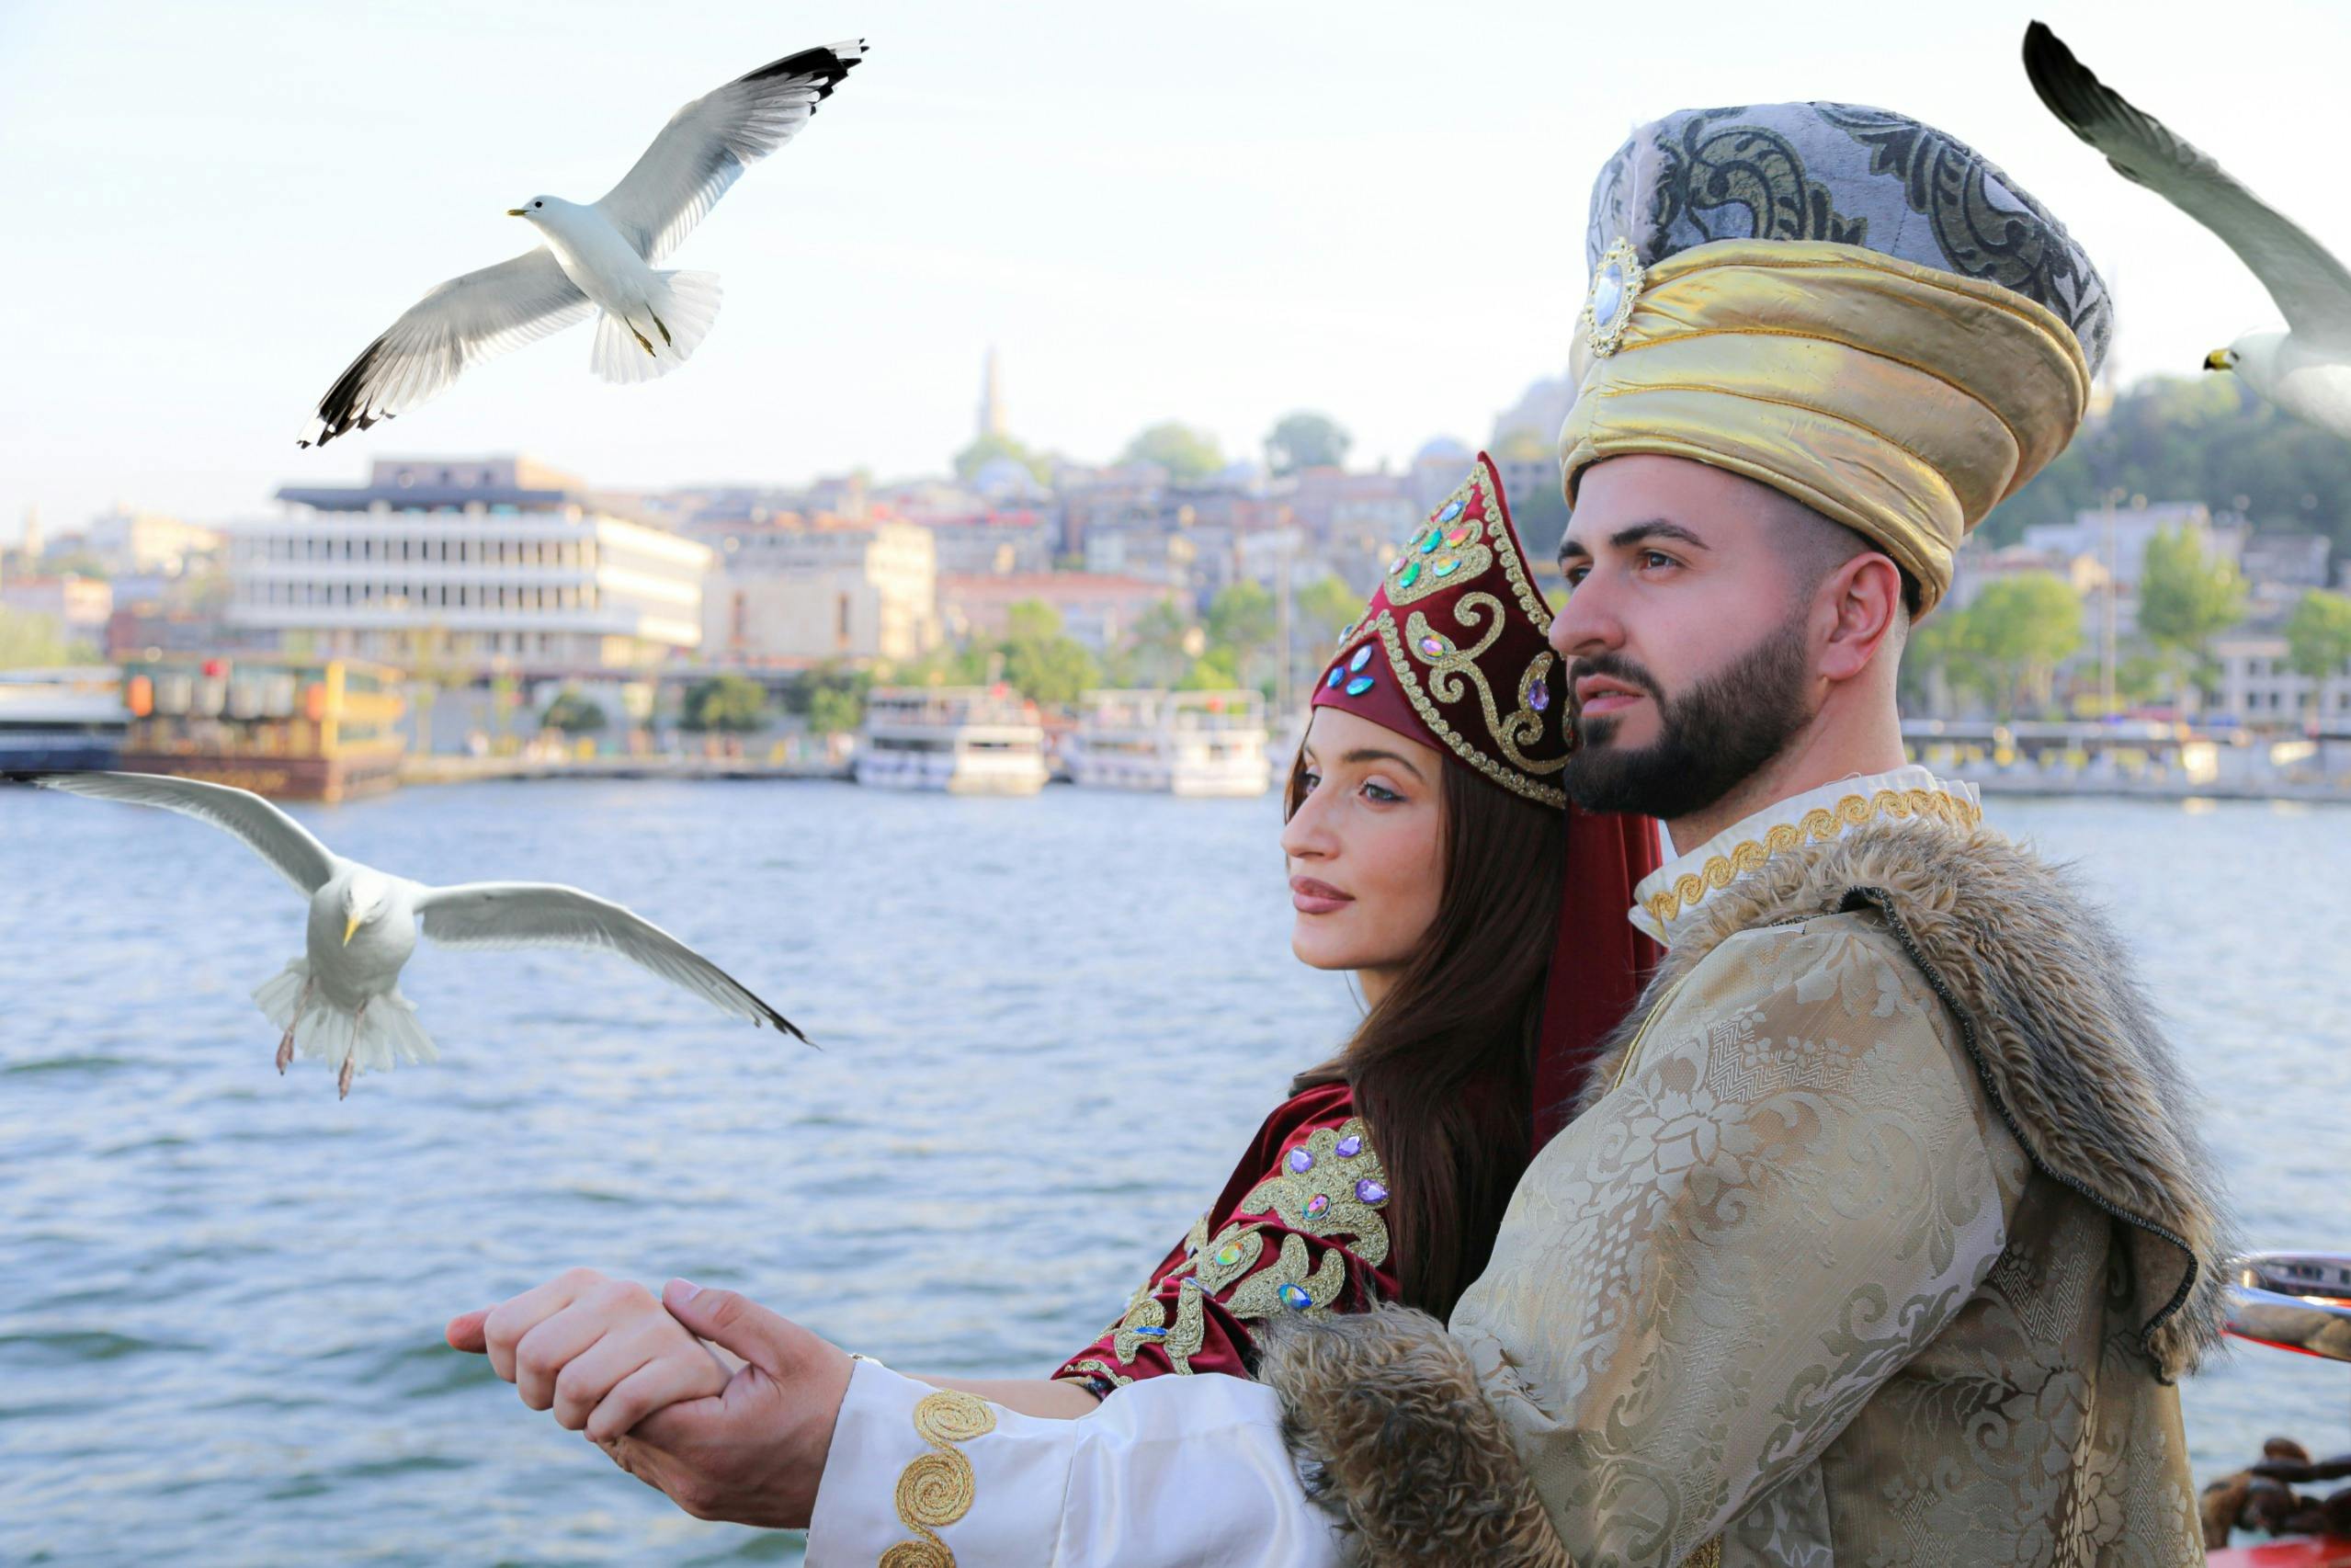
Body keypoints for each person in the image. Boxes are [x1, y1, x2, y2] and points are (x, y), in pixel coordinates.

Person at [518, 99, 2233, 1566]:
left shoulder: (1831, 989)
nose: (1580, 622)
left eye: (1658, 561)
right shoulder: (1853, 958)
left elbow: (1480, 1484)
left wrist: (868, 1453)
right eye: (1580, 560)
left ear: (1855, 614)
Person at [442, 459, 1663, 1536]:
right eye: (1304, 778)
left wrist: (832, 1426)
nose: (1303, 828)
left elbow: (1129, 1415)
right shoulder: (1535, 1110)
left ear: (1500, 844)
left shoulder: (1373, 1152)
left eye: (1378, 790)